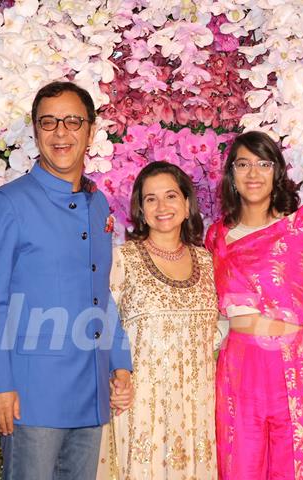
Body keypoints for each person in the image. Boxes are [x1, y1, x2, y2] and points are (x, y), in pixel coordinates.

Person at [0, 81, 133, 480]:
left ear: (91, 131)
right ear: (35, 131)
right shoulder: (7, 203)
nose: (60, 132)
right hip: (31, 396)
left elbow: (101, 292)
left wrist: (119, 362)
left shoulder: (98, 204)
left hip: (91, 389)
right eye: (49, 122)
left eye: (72, 121)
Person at [206, 131, 303, 479]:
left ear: (276, 171)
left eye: (263, 164)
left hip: (294, 365)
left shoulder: (299, 230)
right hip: (238, 368)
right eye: (243, 164)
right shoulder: (217, 236)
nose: (253, 174)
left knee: (295, 464)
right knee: (240, 465)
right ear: (231, 174)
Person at [96, 161, 219, 479]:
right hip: (143, 410)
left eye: (171, 196)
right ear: (140, 208)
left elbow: (222, 333)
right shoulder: (123, 259)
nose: (162, 206)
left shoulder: (208, 262)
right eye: (151, 199)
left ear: (187, 203)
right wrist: (115, 375)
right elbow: (100, 325)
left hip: (199, 412)